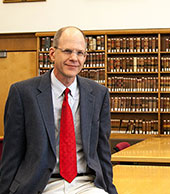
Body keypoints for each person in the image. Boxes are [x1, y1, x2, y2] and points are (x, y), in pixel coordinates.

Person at [0, 26, 118, 194]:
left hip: (87, 183)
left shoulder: (99, 94)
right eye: (67, 51)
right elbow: (12, 152)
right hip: (43, 184)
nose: (74, 58)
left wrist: (110, 190)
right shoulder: (23, 93)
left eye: (80, 53)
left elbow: (103, 151)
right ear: (52, 54)